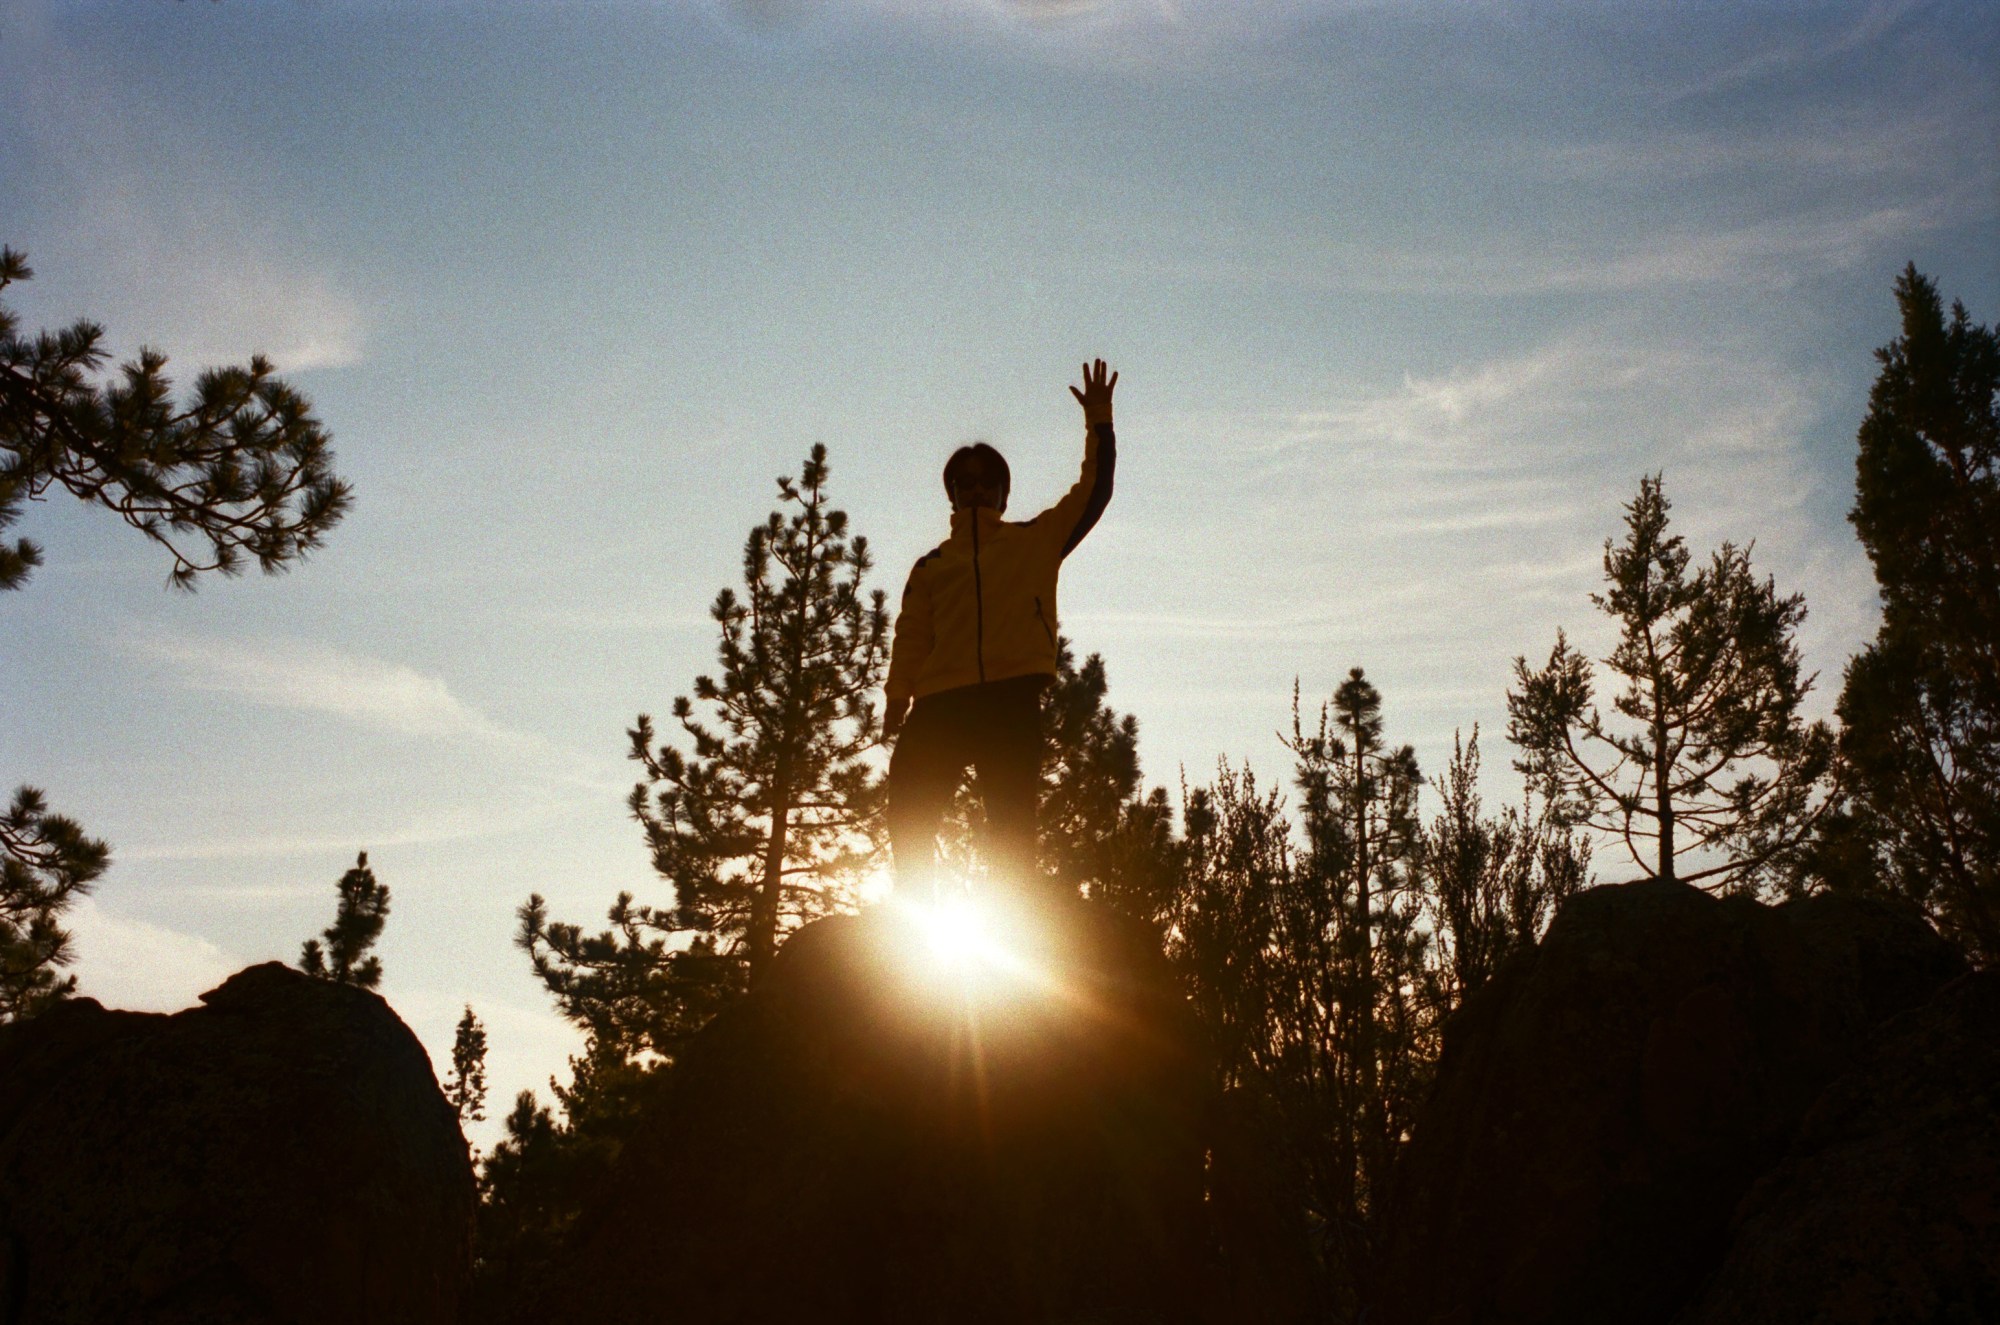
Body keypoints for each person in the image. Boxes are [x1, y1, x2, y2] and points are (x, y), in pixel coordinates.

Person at [883, 359, 1118, 903]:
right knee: (908, 811)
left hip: (1012, 701)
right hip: (940, 705)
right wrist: (897, 700)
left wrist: (1099, 420)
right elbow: (911, 636)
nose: (974, 487)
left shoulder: (1034, 541)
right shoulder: (930, 567)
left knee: (1013, 832)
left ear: (1003, 493)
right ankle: (913, 922)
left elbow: (1094, 490)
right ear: (951, 494)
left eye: (986, 480)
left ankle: (1017, 931)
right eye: (962, 481)